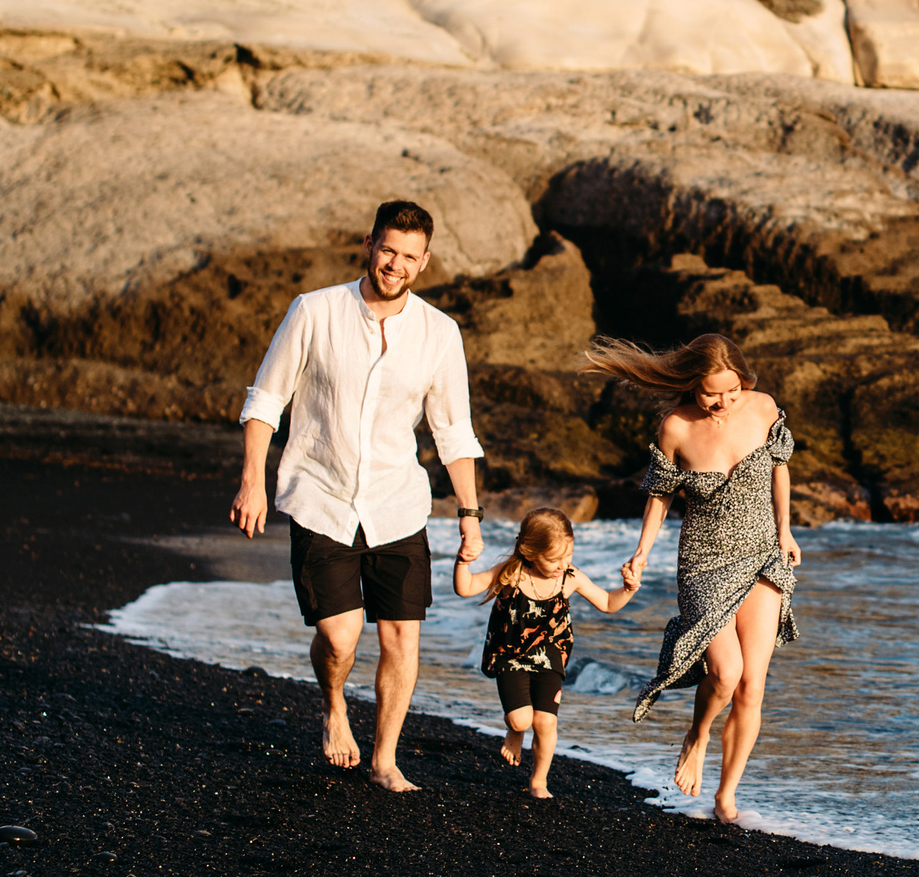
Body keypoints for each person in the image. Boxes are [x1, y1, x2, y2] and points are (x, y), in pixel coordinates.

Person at [231, 199, 484, 793]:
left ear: (425, 263)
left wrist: (470, 516)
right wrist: (252, 479)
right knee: (340, 638)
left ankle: (385, 760)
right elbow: (266, 400)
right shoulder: (314, 311)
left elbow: (454, 432)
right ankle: (334, 704)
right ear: (369, 245)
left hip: (398, 504)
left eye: (409, 256)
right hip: (322, 497)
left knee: (401, 637)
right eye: (387, 249)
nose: (395, 264)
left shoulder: (439, 333)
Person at [588, 333, 801, 824]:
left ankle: (726, 796)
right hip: (703, 563)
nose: (722, 401)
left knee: (752, 685)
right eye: (711, 393)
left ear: (743, 381)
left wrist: (786, 531)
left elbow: (780, 468)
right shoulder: (675, 427)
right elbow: (659, 496)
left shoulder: (764, 407)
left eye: (731, 390)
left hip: (763, 556)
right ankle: (698, 734)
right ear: (692, 386)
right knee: (724, 674)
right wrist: (641, 554)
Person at [453, 508, 643, 799]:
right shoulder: (511, 574)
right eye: (553, 559)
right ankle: (515, 732)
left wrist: (628, 589)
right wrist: (463, 561)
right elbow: (465, 588)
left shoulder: (570, 577)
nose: (562, 565)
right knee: (521, 720)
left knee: (546, 721)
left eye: (567, 556)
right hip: (510, 655)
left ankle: (538, 781)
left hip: (550, 653)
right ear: (530, 552)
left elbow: (606, 602)